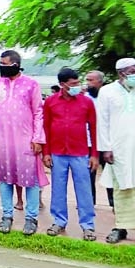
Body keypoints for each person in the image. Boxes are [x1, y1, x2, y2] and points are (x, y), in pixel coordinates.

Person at [0, 50, 47, 236]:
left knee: (31, 180)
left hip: (26, 141)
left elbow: (38, 112)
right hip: (3, 140)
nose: (2, 67)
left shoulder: (31, 84)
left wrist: (38, 138)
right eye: (0, 64)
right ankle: (7, 215)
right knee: (5, 178)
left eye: (5, 64)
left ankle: (31, 218)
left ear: (16, 65)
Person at [42, 68, 98, 240]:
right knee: (58, 189)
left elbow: (94, 129)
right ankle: (59, 221)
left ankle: (87, 225)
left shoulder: (86, 102)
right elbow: (46, 128)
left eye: (77, 83)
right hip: (58, 153)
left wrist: (94, 154)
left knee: (84, 189)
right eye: (73, 84)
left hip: (80, 152)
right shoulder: (51, 102)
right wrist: (46, 152)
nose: (77, 86)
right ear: (62, 84)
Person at [97, 58, 135, 244]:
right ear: (121, 73)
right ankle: (120, 227)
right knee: (120, 188)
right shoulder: (107, 91)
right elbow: (103, 121)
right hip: (118, 150)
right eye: (132, 71)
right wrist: (105, 148)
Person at [85, 70, 108, 207]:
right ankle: (89, 202)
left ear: (100, 81)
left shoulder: (108, 97)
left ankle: (114, 203)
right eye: (87, 80)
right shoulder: (86, 98)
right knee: (89, 174)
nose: (88, 84)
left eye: (91, 80)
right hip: (89, 142)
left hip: (106, 141)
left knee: (110, 173)